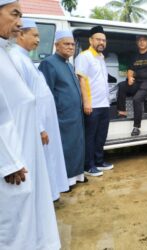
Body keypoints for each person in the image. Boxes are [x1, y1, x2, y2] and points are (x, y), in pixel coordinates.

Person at [0, 1, 60, 249]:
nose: (20, 22)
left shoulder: (5, 52)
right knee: (15, 222)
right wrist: (9, 162)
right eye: (14, 15)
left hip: (23, 149)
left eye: (21, 16)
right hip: (11, 161)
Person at [8, 18, 69, 201]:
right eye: (34, 35)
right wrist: (40, 127)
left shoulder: (26, 58)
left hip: (44, 122)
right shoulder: (16, 59)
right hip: (36, 124)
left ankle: (51, 193)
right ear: (21, 34)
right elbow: (25, 100)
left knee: (49, 160)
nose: (38, 40)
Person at [39, 30, 85, 187]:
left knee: (77, 145)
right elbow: (46, 94)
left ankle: (77, 176)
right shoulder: (49, 63)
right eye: (66, 44)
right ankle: (65, 181)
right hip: (61, 116)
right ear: (56, 45)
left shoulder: (69, 64)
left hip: (75, 115)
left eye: (72, 44)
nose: (70, 47)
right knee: (65, 148)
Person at [75, 26, 114, 177]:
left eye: (103, 40)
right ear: (90, 40)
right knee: (90, 137)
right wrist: (86, 103)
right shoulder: (84, 56)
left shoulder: (101, 58)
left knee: (101, 135)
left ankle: (99, 161)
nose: (101, 42)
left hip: (104, 104)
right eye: (98, 39)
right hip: (92, 105)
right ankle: (88, 165)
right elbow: (82, 80)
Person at [116, 35, 147, 136]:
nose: (142, 42)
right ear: (137, 43)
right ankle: (122, 112)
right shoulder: (134, 56)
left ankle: (136, 127)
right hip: (137, 81)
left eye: (144, 40)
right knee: (121, 86)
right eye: (139, 40)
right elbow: (130, 69)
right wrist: (129, 77)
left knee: (137, 99)